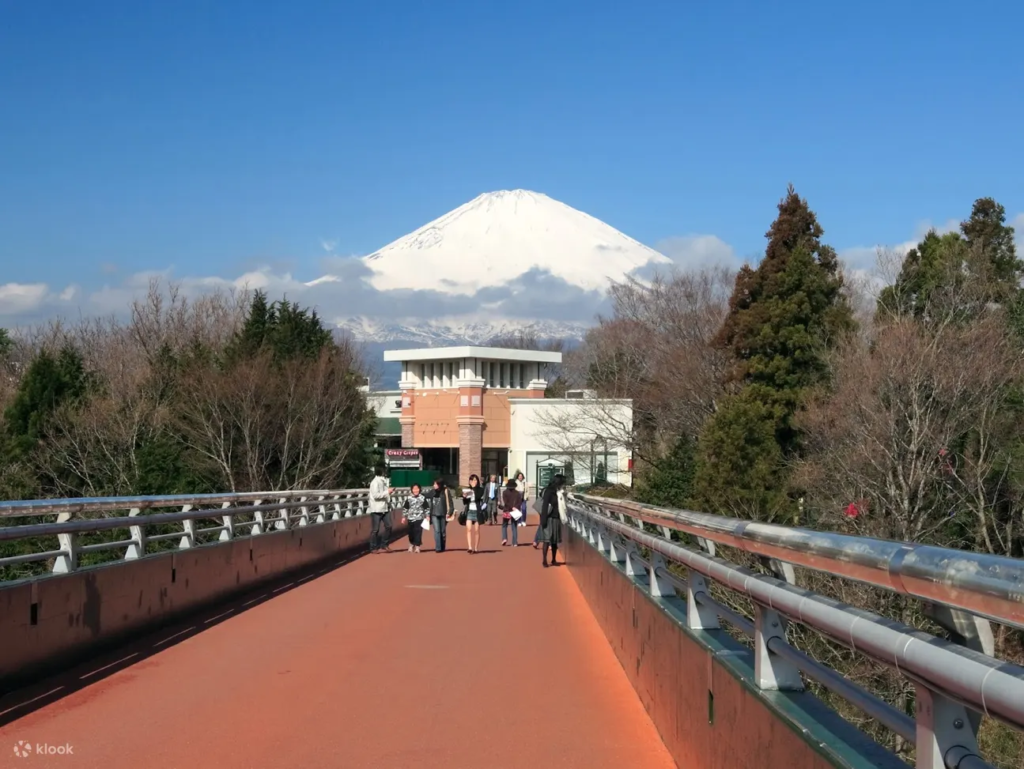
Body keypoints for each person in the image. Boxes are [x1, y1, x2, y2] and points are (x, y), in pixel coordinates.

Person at [539, 473, 566, 567]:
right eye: (562, 483)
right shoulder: (549, 491)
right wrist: (543, 520)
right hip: (549, 518)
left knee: (554, 540)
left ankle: (554, 559)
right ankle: (544, 560)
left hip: (556, 517)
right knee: (547, 540)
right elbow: (545, 505)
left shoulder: (559, 492)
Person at [368, 465, 393, 554]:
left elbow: (385, 494)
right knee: (375, 529)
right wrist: (387, 492)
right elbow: (375, 495)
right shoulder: (375, 482)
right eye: (384, 471)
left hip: (385, 508)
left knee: (389, 526)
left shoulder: (383, 481)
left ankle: (384, 544)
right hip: (376, 509)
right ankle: (373, 547)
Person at [425, 478, 454, 553]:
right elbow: (425, 495)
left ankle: (442, 546)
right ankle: (438, 547)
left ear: (439, 484)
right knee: (437, 531)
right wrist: (417, 492)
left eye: (435, 484)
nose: (434, 485)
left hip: (444, 514)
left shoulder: (445, 491)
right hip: (434, 514)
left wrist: (449, 512)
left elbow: (450, 503)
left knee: (443, 532)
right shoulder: (432, 492)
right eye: (433, 484)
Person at [402, 483, 429, 553]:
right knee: (411, 532)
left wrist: (427, 516)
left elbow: (426, 507)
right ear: (412, 490)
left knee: (418, 532)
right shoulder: (409, 498)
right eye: (414, 489)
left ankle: (417, 546)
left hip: (419, 518)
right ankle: (411, 544)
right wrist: (404, 517)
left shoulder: (422, 498)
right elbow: (405, 508)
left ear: (419, 489)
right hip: (410, 518)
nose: (416, 490)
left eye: (417, 489)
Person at [462, 474, 485, 554]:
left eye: (475, 480)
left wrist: (473, 489)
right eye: (472, 480)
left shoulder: (480, 489)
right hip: (469, 511)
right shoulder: (467, 490)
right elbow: (465, 503)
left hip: (477, 511)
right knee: (468, 529)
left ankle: (476, 548)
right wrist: (464, 497)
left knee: (476, 530)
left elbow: (478, 497)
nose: (473, 482)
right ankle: (470, 547)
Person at [500, 478, 522, 547]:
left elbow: (506, 502)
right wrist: (515, 507)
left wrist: (511, 507)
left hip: (507, 510)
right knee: (514, 526)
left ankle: (504, 538)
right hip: (515, 511)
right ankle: (515, 542)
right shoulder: (517, 493)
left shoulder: (505, 492)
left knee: (504, 525)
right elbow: (519, 502)